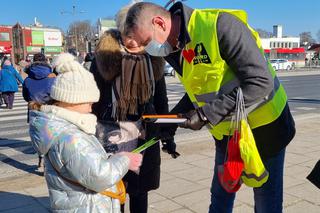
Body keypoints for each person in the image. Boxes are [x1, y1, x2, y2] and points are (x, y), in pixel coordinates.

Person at [123, 2, 296, 213]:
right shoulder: (173, 46)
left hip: (266, 127)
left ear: (159, 23)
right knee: (221, 196)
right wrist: (172, 121)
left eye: (146, 42)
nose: (148, 50)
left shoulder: (220, 26)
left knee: (265, 199)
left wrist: (204, 115)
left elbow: (260, 82)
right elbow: (200, 89)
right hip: (227, 131)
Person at [89, 5, 180, 213]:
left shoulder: (154, 57)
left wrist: (167, 133)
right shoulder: (105, 56)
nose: (132, 41)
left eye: (136, 35)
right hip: (108, 136)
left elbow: (161, 99)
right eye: (126, 34)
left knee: (140, 192)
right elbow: (92, 97)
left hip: (143, 136)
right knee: (113, 190)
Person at [28, 53, 143, 212]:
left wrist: (110, 158)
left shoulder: (61, 129)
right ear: (72, 100)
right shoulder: (71, 138)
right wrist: (124, 160)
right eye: (88, 103)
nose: (91, 108)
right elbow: (99, 176)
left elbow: (82, 165)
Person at [23, 53, 56, 172]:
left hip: (33, 109)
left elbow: (26, 97)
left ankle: (40, 159)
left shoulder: (27, 79)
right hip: (48, 110)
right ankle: (48, 162)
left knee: (37, 135)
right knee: (50, 135)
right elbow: (55, 94)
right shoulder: (52, 77)